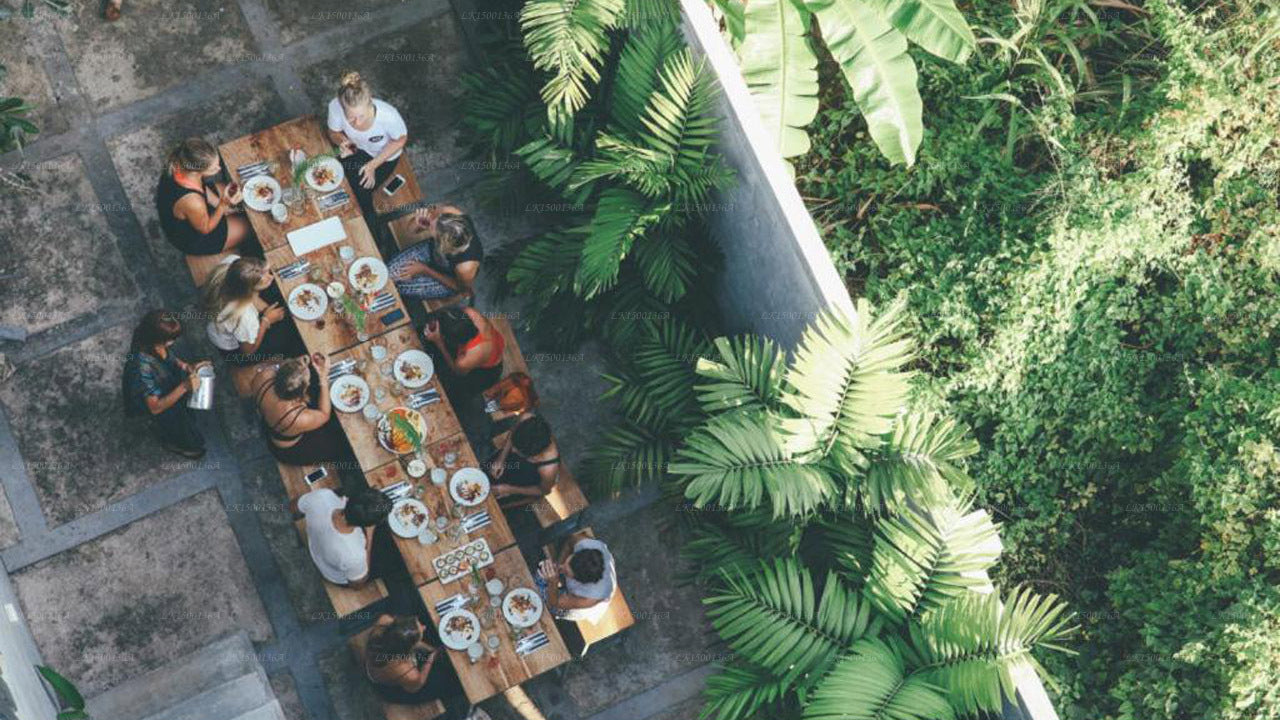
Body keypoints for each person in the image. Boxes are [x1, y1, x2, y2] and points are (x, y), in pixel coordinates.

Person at [121, 310, 206, 459]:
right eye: (169, 340)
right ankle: (182, 447)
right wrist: (185, 386)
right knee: (178, 430)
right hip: (165, 407)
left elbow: (169, 357)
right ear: (156, 337)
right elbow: (155, 407)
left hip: (170, 389)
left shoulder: (150, 340)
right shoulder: (142, 368)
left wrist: (185, 366)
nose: (172, 343)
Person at [326, 71, 408, 220]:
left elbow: (401, 140)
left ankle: (371, 221)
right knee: (330, 172)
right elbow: (333, 132)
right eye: (350, 118)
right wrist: (343, 143)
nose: (357, 123)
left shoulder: (388, 116)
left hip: (383, 157)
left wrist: (372, 166)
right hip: (357, 149)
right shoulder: (335, 107)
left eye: (361, 116)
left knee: (362, 188)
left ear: (370, 102)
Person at [155, 137, 253, 255]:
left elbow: (201, 187)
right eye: (213, 168)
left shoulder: (179, 163)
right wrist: (223, 205)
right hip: (194, 238)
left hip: (194, 207)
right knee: (250, 225)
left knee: (240, 191)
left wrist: (221, 205)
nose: (219, 169)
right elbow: (205, 229)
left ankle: (231, 215)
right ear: (196, 171)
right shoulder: (193, 202)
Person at [361, 614, 472, 716]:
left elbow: (406, 641)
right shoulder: (407, 672)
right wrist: (431, 657)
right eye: (421, 630)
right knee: (448, 682)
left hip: (377, 660)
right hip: (391, 689)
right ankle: (457, 693)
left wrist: (430, 649)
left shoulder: (384, 621)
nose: (424, 627)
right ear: (408, 648)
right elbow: (418, 684)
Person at [201, 255, 301, 366]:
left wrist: (259, 302)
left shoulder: (232, 263)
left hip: (217, 323)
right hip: (234, 352)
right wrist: (266, 321)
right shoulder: (245, 318)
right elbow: (248, 351)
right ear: (248, 290)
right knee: (289, 334)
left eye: (267, 272)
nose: (271, 277)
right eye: (265, 277)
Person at [292, 486, 397, 587]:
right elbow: (358, 584)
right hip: (331, 574)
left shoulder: (322, 496)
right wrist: (369, 536)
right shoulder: (355, 556)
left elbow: (294, 506)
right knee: (390, 560)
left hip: (316, 545)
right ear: (367, 525)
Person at [254, 355, 349, 465]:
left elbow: (280, 368)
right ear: (302, 391)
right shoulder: (296, 417)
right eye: (308, 382)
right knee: (340, 444)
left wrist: (298, 364)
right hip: (289, 449)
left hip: (271, 420)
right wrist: (323, 378)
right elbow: (324, 415)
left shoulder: (263, 377)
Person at [387, 204, 482, 305]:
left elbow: (459, 287)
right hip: (430, 251)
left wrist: (424, 269)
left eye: (432, 228)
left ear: (444, 245)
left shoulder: (466, 267)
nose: (430, 223)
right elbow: (410, 230)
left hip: (448, 278)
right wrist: (417, 224)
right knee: (388, 275)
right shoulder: (448, 211)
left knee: (399, 287)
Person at [538, 535, 617, 656]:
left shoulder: (590, 598)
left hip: (581, 607)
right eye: (567, 561)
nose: (561, 567)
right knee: (539, 577)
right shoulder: (585, 544)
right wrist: (559, 564)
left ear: (580, 581)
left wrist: (553, 582)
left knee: (543, 602)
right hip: (574, 587)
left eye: (566, 572)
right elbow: (570, 541)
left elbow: (554, 602)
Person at [422, 306, 504, 400]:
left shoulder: (473, 354)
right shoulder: (470, 313)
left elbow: (458, 370)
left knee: (457, 389)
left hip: (486, 372)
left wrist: (438, 342)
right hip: (488, 348)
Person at [488, 414, 561, 507]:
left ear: (534, 456)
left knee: (494, 504)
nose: (513, 450)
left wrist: (508, 489)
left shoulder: (548, 470)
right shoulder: (526, 419)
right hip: (512, 463)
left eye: (518, 450)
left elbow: (543, 491)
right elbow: (513, 433)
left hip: (525, 484)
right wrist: (501, 459)